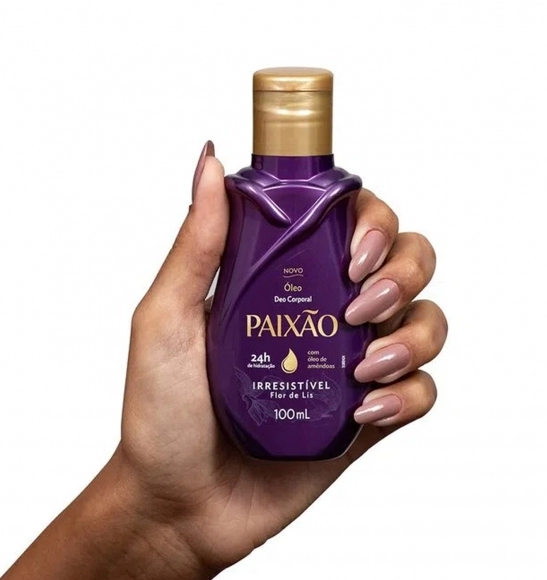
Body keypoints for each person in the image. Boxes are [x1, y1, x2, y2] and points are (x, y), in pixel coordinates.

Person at [2, 142, 447, 580]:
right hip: (219, 453)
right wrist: (155, 513)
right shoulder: (249, 193)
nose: (297, 330)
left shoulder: (332, 194)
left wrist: (157, 522)